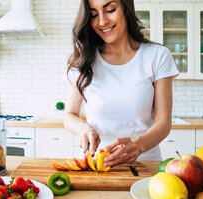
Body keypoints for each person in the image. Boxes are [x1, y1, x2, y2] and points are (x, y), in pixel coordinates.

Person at [63, 0, 179, 167]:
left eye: (110, 10)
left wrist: (138, 146)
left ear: (126, 8)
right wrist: (84, 129)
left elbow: (163, 122)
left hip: (144, 164)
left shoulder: (157, 55)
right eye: (94, 14)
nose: (102, 22)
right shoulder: (82, 60)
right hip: (94, 164)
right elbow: (70, 115)